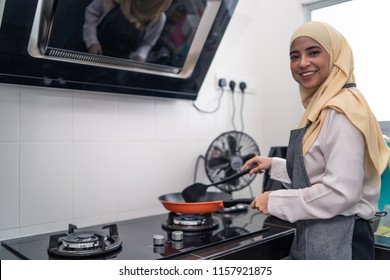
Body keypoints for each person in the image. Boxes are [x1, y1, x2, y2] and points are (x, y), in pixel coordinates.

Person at [241, 21, 390, 260]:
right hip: (316, 238)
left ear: (336, 56)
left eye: (313, 52)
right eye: (294, 55)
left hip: (342, 241)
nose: (302, 63)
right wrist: (274, 165)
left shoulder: (342, 110)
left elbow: (340, 193)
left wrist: (275, 200)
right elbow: (319, 173)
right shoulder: (323, 107)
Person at [83, 0, 172, 61]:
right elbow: (92, 13)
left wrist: (140, 56)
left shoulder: (158, 19)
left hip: (116, 66)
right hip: (86, 52)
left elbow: (148, 43)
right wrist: (92, 42)